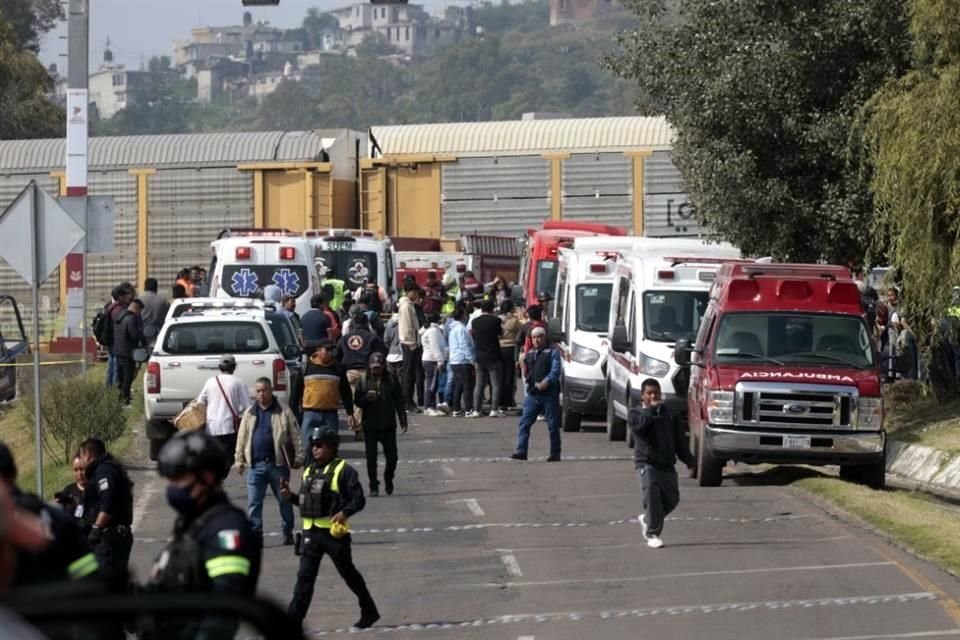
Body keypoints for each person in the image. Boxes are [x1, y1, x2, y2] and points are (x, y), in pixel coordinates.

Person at [147, 431, 261, 640]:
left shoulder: (226, 529)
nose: (172, 488)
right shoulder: (191, 523)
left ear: (207, 476)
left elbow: (224, 611)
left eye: (178, 478)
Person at [281, 426, 380, 630]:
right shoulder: (309, 470)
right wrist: (289, 496)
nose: (315, 449)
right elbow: (306, 502)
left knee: (349, 574)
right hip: (310, 534)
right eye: (313, 445)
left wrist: (345, 513)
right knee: (304, 581)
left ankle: (369, 610)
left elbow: (358, 499)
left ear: (332, 447)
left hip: (334, 536)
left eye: (319, 445)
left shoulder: (344, 470)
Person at [0, 442, 98, 587]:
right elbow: (89, 570)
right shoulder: (59, 520)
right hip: (57, 604)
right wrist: (62, 582)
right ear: (14, 474)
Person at [235, 378, 304, 546]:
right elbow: (242, 437)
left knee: (284, 501)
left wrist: (299, 456)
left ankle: (287, 530)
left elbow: (296, 435)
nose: (261, 394)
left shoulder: (284, 411)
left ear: (271, 390)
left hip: (277, 466)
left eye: (264, 390)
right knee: (254, 503)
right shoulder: (250, 412)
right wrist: (239, 459)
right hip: (255, 467)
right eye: (258, 391)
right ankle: (256, 534)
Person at [629, 378, 694, 549]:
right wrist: (651, 410)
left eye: (656, 393)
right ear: (642, 396)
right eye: (649, 393)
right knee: (651, 496)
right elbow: (639, 428)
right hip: (647, 464)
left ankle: (647, 519)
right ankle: (652, 533)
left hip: (666, 464)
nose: (653, 396)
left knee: (672, 499)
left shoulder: (669, 414)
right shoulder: (636, 413)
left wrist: (689, 460)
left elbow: (679, 440)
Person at [78, 438, 134, 587]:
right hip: (109, 538)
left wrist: (96, 528)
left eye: (82, 457)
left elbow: (108, 501)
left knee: (106, 585)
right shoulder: (105, 469)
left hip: (109, 538)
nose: (81, 462)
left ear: (88, 455)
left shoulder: (104, 470)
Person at [355, 353, 407, 496]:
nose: (375, 371)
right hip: (370, 425)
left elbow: (399, 401)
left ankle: (388, 478)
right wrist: (366, 398)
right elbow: (357, 401)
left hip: (388, 424)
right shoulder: (363, 380)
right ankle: (373, 485)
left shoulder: (391, 379)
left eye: (378, 368)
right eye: (373, 368)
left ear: (383, 367)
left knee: (392, 457)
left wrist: (403, 419)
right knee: (371, 457)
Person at [511, 327, 561, 461]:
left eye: (539, 337)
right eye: (534, 337)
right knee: (524, 423)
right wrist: (522, 364)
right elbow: (527, 375)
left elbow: (555, 371)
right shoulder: (530, 354)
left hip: (549, 394)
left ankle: (555, 453)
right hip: (533, 395)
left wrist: (546, 382)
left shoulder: (552, 352)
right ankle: (521, 451)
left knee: (552, 425)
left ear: (544, 338)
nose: (537, 340)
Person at [299, 340, 356, 458]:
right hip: (310, 413)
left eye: (332, 350)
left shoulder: (338, 368)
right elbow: (296, 390)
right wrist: (293, 411)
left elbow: (345, 391)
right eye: (327, 350)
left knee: (330, 450)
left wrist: (350, 412)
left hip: (330, 415)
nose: (330, 353)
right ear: (318, 350)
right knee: (308, 450)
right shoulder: (306, 367)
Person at [197, 355, 251, 475]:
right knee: (227, 460)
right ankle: (217, 480)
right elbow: (248, 407)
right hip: (229, 428)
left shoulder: (210, 381)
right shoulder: (239, 382)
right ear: (234, 367)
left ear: (220, 367)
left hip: (211, 427)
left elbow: (200, 401)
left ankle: (213, 480)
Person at [337, 310, 387, 436]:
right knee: (369, 400)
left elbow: (337, 355)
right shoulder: (372, 337)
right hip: (367, 373)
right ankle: (364, 426)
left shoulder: (345, 338)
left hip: (349, 373)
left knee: (354, 401)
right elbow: (382, 353)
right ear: (366, 322)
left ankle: (356, 426)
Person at [471, 299, 503, 418]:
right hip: (494, 355)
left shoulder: (475, 322)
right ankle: (494, 409)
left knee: (479, 385)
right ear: (492, 309)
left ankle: (476, 409)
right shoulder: (496, 320)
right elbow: (500, 333)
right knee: (495, 384)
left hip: (479, 356)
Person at [113, 297, 145, 406]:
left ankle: (119, 398)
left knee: (121, 377)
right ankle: (125, 401)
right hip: (128, 352)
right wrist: (140, 333)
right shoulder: (131, 318)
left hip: (118, 350)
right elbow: (133, 335)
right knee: (127, 377)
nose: (139, 314)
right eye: (139, 311)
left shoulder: (120, 316)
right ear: (136, 308)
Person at [448, 308, 477, 418]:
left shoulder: (453, 329)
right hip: (463, 360)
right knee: (467, 386)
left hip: (454, 360)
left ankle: (456, 408)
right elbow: (464, 345)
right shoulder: (461, 329)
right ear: (462, 316)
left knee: (459, 385)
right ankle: (468, 409)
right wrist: (471, 359)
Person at [397, 282, 421, 412]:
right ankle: (407, 401)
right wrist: (412, 343)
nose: (416, 295)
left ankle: (409, 400)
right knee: (408, 374)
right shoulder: (406, 306)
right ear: (409, 292)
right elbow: (407, 327)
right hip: (409, 344)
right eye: (415, 292)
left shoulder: (409, 305)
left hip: (411, 343)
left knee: (410, 373)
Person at [420, 313, 447, 416]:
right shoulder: (433, 331)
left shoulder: (429, 330)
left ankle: (432, 406)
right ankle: (428, 407)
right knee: (431, 385)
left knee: (433, 385)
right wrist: (440, 361)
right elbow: (435, 347)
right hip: (431, 360)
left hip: (429, 358)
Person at [54, 455, 88, 528]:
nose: (79, 474)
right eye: (76, 470)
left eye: (82, 469)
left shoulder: (95, 489)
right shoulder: (68, 490)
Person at [498, 300, 520, 411]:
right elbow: (519, 333)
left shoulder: (497, 319)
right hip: (510, 348)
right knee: (509, 376)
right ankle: (508, 400)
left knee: (500, 376)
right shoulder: (514, 320)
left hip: (499, 348)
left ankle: (499, 400)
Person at [139, 277, 169, 348]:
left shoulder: (138, 299)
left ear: (145, 287)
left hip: (143, 333)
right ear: (156, 287)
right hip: (159, 332)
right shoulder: (163, 301)